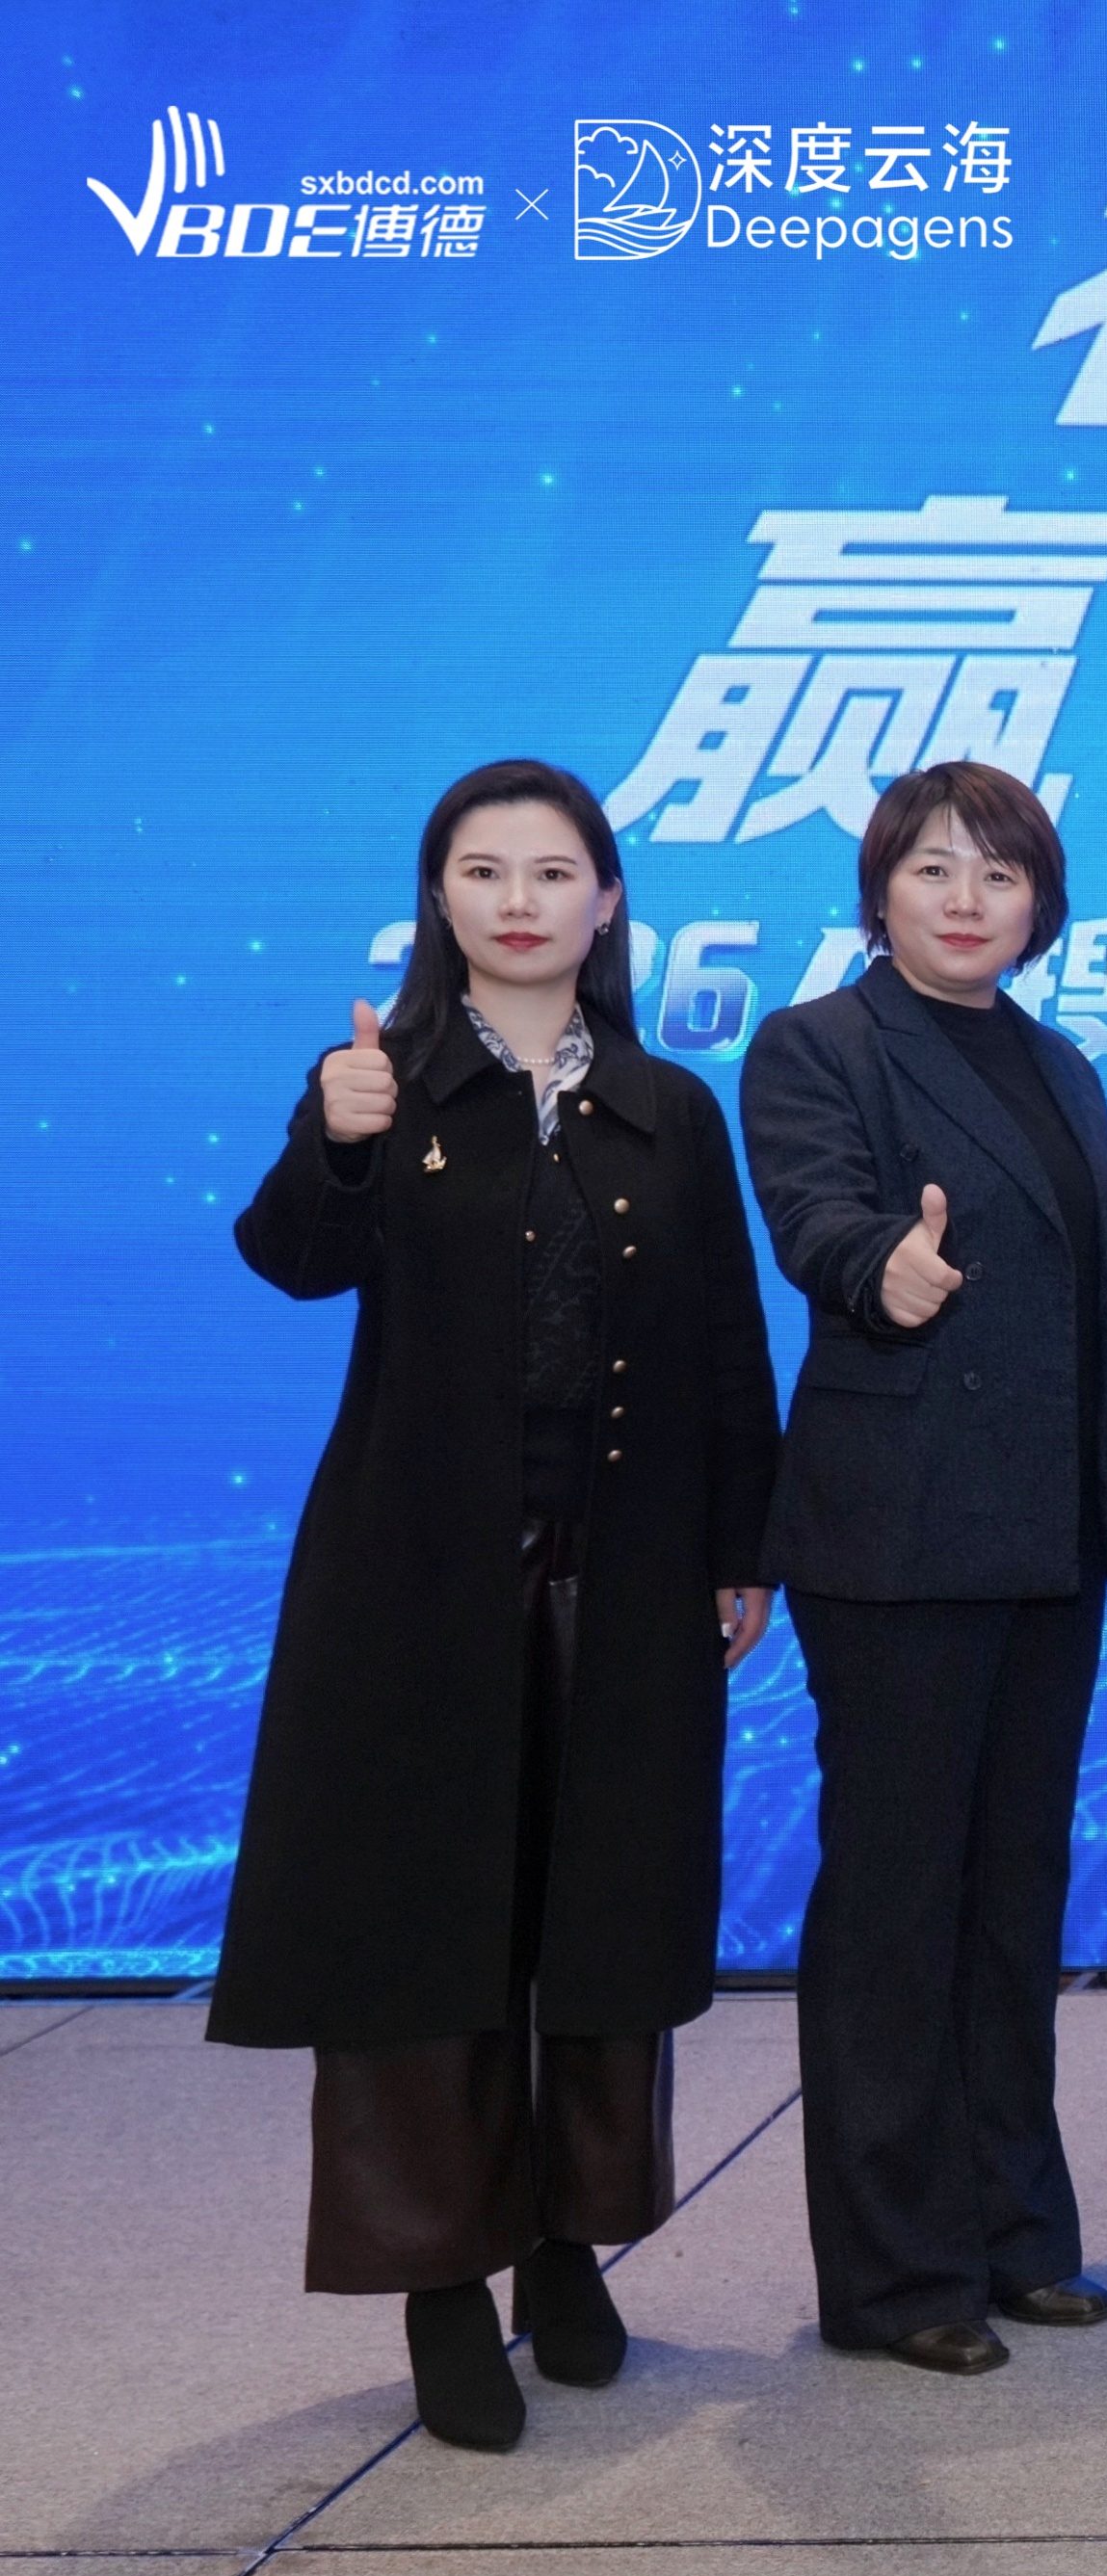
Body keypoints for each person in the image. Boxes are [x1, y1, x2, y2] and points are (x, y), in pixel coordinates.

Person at [217, 758, 780, 2452]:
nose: (519, 898)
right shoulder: (381, 1079)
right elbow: (289, 1259)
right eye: (483, 868)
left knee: (595, 1917)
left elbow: (727, 1344)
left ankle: (565, 2240)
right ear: (439, 896)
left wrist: (741, 1545)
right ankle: (442, 2281)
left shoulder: (671, 1107)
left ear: (607, 901)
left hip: (627, 1569)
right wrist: (336, 1141)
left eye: (553, 869)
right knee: (428, 1925)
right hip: (415, 1580)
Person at [740, 759, 1107, 2377]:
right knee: (898, 1902)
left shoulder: (1059, 1060)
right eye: (933, 868)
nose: (967, 898)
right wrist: (886, 1268)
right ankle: (894, 2272)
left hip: (1049, 1534)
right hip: (900, 1533)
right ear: (880, 891)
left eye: (999, 872)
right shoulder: (818, 1044)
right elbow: (814, 1219)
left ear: (1040, 901)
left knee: (1013, 1897)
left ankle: (1015, 2234)